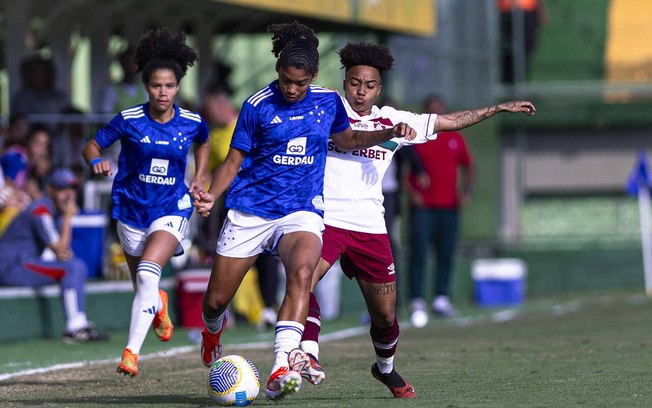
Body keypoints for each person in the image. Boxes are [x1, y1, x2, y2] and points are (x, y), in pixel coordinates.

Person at [294, 42, 536, 399]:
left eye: (369, 85)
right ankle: (307, 354)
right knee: (302, 281)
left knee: (386, 316)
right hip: (324, 219)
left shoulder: (394, 119)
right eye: (355, 83)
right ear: (344, 82)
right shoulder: (327, 109)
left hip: (370, 228)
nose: (361, 91)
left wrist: (497, 108)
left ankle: (385, 369)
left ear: (379, 88)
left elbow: (450, 121)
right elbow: (325, 121)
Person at [192, 21, 416, 402]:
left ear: (313, 76)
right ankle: (213, 330)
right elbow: (232, 162)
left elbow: (346, 139)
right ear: (278, 71)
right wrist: (212, 195)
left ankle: (282, 365)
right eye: (285, 81)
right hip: (251, 210)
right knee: (215, 300)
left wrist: (386, 133)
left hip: (302, 210)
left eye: (299, 83)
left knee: (301, 273)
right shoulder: (256, 106)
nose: (291, 89)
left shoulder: (328, 101)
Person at [81, 28, 209, 377]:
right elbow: (91, 146)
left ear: (178, 87)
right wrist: (96, 161)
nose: (162, 92)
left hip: (172, 207)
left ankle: (130, 354)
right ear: (146, 86)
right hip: (132, 209)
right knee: (144, 284)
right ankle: (159, 304)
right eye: (156, 86)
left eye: (169, 86)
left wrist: (199, 177)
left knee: (150, 272)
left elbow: (204, 142)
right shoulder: (129, 120)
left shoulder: (192, 121)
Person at [0, 168, 108, 342]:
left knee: (75, 266)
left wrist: (65, 217)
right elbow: (60, 251)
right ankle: (75, 328)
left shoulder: (53, 211)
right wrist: (68, 217)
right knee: (73, 267)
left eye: (72, 189)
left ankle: (77, 325)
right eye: (62, 189)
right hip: (10, 266)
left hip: (21, 263)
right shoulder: (41, 209)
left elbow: (64, 253)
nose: (69, 195)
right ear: (50, 190)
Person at [406, 94, 475, 325]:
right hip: (422, 208)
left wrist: (467, 192)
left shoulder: (455, 138)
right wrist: (411, 192)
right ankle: (416, 299)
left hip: (449, 208)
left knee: (446, 254)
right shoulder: (416, 138)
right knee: (419, 254)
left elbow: (469, 167)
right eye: (432, 111)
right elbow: (402, 166)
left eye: (440, 110)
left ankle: (441, 298)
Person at [498, 0, 548, 83]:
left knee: (523, 51)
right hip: (510, 10)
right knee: (510, 51)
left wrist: (541, 9)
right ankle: (511, 85)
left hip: (525, 10)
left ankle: (516, 84)